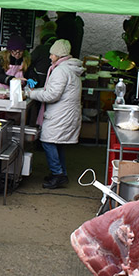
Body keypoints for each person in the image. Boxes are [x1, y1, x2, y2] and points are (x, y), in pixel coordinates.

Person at [24, 39, 83, 189]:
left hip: (60, 113)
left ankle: (58, 175)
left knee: (48, 141)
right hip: (65, 112)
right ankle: (60, 173)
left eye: (51, 54)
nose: (50, 57)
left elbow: (51, 95)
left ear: (58, 55)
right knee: (58, 144)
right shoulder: (68, 68)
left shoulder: (61, 71)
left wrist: (31, 93)